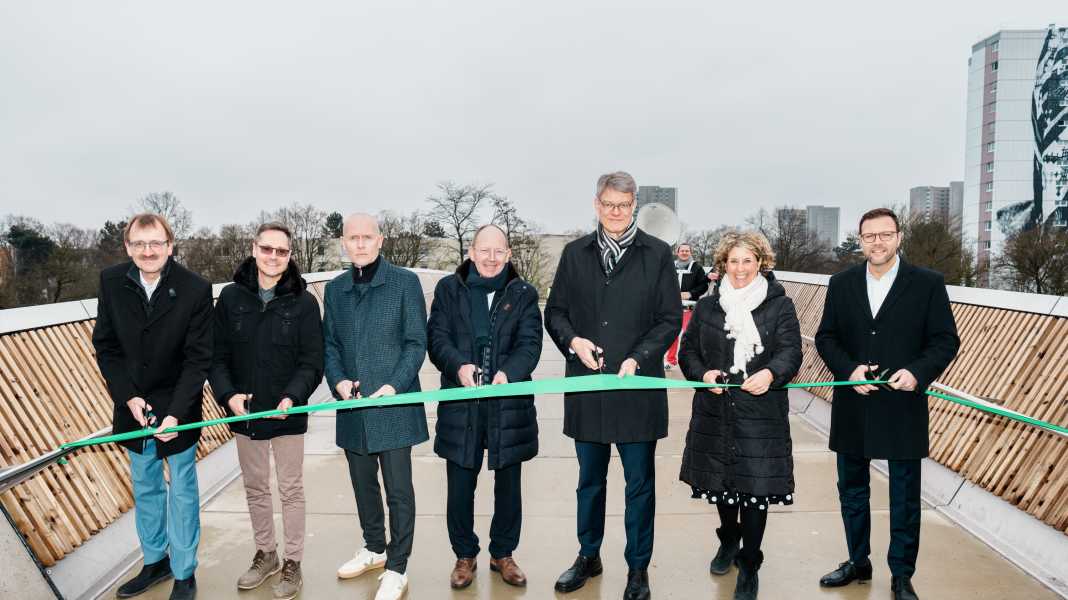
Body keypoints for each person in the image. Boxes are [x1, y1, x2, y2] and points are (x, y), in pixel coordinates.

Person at [545, 171, 682, 600]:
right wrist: (573, 341)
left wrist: (639, 358)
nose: (616, 212)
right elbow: (556, 312)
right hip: (588, 387)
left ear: (635, 205)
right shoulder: (574, 254)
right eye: (608, 204)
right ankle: (589, 555)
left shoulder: (658, 254)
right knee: (590, 481)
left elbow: (669, 320)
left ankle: (637, 567)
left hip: (637, 389)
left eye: (624, 205)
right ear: (596, 204)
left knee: (639, 485)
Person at [815, 208, 960, 600]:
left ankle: (901, 574)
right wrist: (850, 370)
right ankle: (857, 561)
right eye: (869, 236)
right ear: (860, 240)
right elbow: (826, 338)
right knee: (852, 490)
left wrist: (916, 372)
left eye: (884, 234)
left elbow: (945, 341)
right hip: (854, 403)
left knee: (904, 495)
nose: (876, 242)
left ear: (898, 237)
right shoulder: (841, 283)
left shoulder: (927, 283)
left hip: (903, 404)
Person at [92, 213, 212, 600]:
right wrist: (128, 396)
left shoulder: (195, 289)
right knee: (145, 488)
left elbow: (198, 359)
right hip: (133, 406)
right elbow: (106, 346)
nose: (148, 251)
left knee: (181, 491)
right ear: (128, 247)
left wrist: (176, 413)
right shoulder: (111, 282)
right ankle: (155, 561)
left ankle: (183, 571)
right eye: (139, 244)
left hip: (179, 406)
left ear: (170, 245)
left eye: (155, 243)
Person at [678, 231, 801, 600]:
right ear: (722, 265)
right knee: (721, 484)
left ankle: (750, 563)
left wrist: (771, 374)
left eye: (748, 260)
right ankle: (729, 540)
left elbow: (791, 352)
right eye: (733, 261)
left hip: (761, 412)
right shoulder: (707, 307)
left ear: (761, 263)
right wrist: (703, 375)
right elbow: (688, 352)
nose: (741, 268)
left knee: (755, 489)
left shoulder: (780, 306)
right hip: (716, 410)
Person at [209, 222, 324, 599]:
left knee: (291, 489)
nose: (273, 257)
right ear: (254, 249)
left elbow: (312, 361)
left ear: (290, 256)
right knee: (256, 487)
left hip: (287, 412)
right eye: (267, 249)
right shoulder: (230, 298)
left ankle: (293, 561)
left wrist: (292, 397)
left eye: (281, 251)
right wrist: (229, 397)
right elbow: (217, 356)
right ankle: (266, 553)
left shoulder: (304, 302)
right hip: (246, 414)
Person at [427, 224, 543, 590]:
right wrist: (458, 365)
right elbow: (437, 338)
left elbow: (531, 343)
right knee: (460, 486)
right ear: (471, 253)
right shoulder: (449, 289)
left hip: (508, 405)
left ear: (508, 255)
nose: (491, 259)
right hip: (461, 406)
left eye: (499, 252)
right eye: (484, 251)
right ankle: (465, 555)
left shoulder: (523, 293)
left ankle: (503, 553)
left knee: (508, 486)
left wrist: (509, 373)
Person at [324, 213, 429, 600]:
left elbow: (416, 342)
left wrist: (394, 385)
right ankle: (374, 548)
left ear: (381, 240)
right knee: (362, 484)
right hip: (353, 407)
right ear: (345, 242)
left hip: (394, 404)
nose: (361, 244)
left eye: (368, 237)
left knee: (399, 490)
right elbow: (330, 345)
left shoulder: (404, 283)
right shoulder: (335, 289)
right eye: (354, 238)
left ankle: (398, 566)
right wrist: (337, 382)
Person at [665, 242, 710, 369]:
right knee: (671, 333)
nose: (684, 253)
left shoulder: (697, 268)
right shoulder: (669, 266)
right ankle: (670, 360)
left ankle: (692, 361)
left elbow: (703, 285)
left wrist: (690, 294)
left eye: (687, 251)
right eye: (682, 250)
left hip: (689, 308)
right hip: (671, 307)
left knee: (689, 335)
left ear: (690, 253)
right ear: (677, 252)